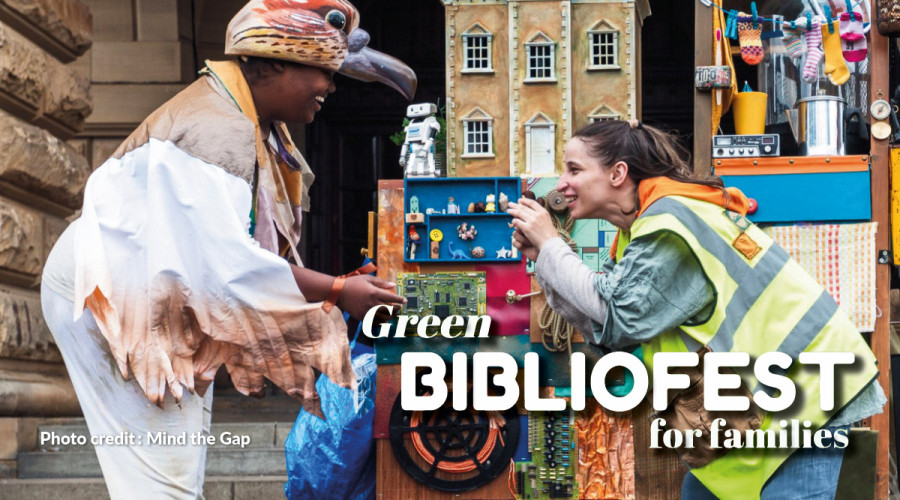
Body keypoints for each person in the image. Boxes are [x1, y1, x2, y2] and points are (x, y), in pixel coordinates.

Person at [39, 1, 415, 497]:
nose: (330, 87)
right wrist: (338, 290)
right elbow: (227, 268)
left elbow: (233, 257)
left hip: (142, 283)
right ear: (275, 62)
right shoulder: (217, 128)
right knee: (162, 470)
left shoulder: (245, 122)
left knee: (175, 456)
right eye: (323, 71)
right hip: (117, 289)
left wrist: (337, 286)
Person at [508, 119, 885, 499]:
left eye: (574, 169)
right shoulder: (639, 232)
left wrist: (553, 246)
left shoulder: (670, 224)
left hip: (806, 396)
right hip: (762, 404)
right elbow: (610, 333)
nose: (560, 184)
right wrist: (546, 257)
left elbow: (615, 313)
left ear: (618, 173)